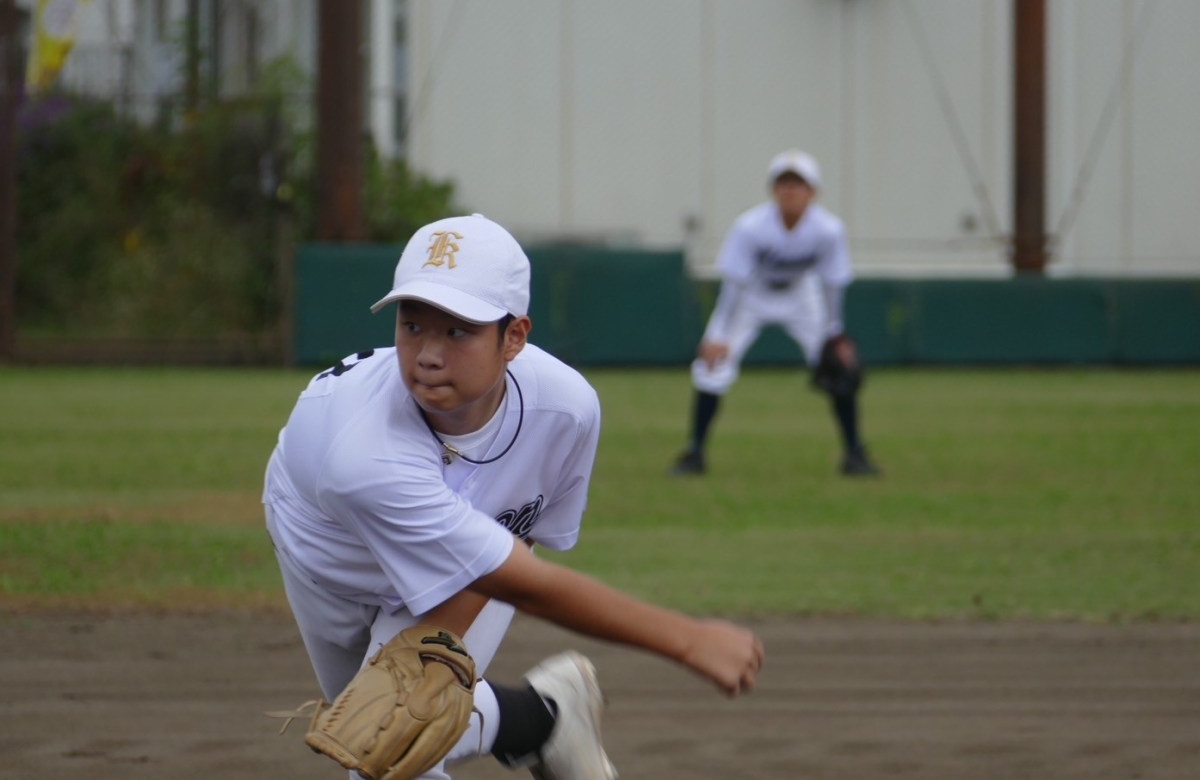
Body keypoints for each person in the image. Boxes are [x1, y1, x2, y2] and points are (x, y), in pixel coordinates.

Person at [263, 213, 764, 780]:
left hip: (463, 556)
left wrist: (432, 656)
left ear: (514, 338)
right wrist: (688, 640)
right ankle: (545, 717)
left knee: (393, 754)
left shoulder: (564, 410)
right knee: (384, 729)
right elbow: (527, 584)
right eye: (412, 325)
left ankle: (533, 719)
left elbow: (518, 535)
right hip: (327, 555)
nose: (427, 354)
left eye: (456, 330)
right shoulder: (364, 456)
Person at [671, 149, 881, 478]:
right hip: (751, 295)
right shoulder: (750, 227)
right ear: (773, 190)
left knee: (840, 368)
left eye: (798, 184)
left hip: (802, 296)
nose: (790, 191)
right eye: (783, 183)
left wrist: (835, 332)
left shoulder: (828, 230)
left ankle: (854, 454)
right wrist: (718, 334)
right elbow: (734, 284)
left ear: (813, 192)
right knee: (711, 368)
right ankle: (695, 453)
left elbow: (833, 284)